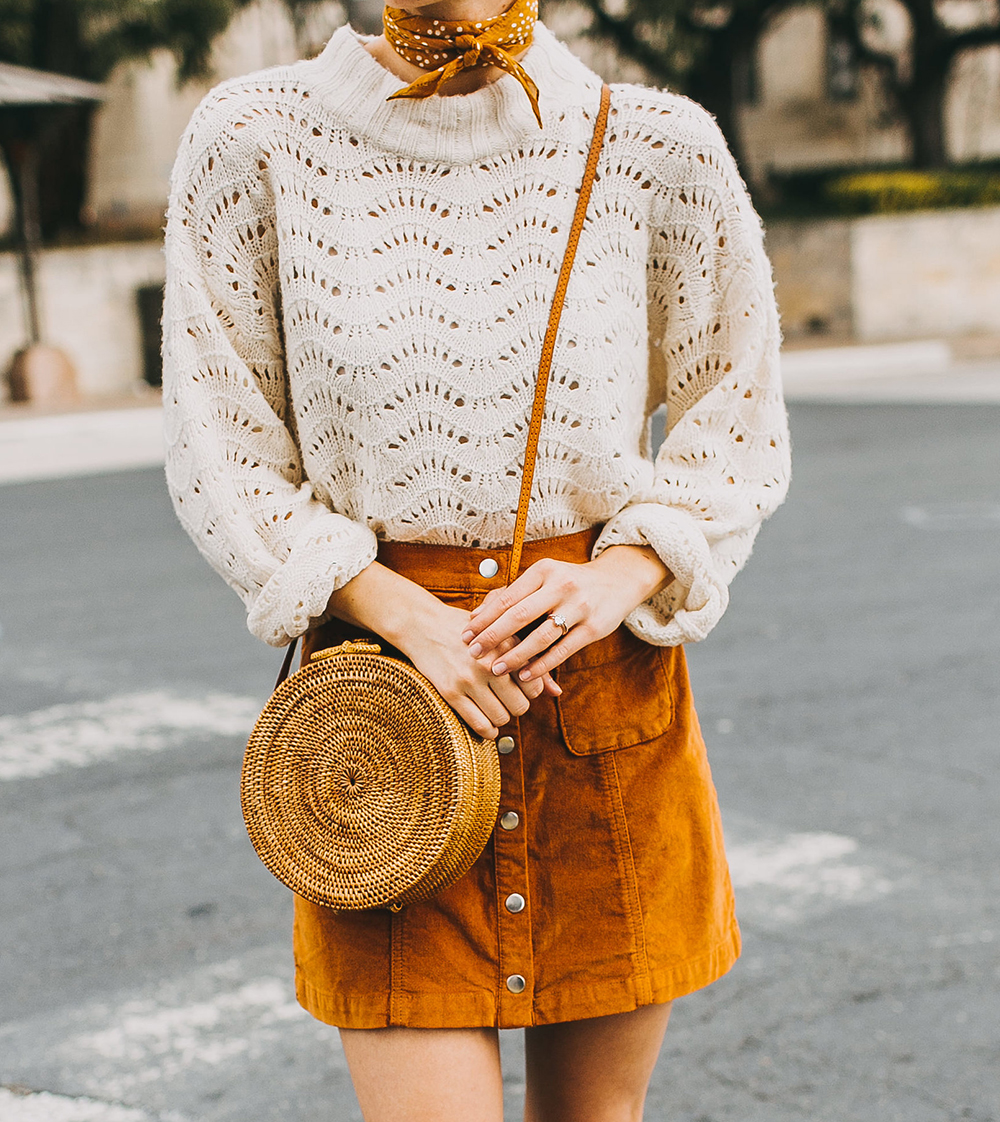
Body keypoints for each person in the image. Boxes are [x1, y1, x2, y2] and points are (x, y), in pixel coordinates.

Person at [162, 0, 791, 1117]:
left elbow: (733, 417)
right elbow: (221, 442)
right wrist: (397, 612)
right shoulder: (255, 138)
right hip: (381, 726)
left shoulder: (653, 143)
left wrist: (620, 571)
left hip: (597, 697)